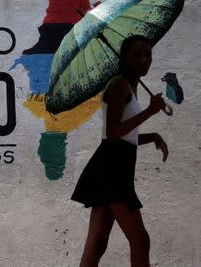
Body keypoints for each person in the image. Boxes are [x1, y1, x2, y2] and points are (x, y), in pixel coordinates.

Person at [70, 34, 169, 267]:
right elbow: (113, 132)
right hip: (112, 168)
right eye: (137, 55)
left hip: (113, 164)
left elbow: (125, 136)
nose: (144, 60)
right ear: (123, 57)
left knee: (96, 244)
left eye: (148, 55)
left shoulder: (130, 86)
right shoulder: (119, 85)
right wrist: (150, 111)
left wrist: (153, 136)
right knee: (140, 240)